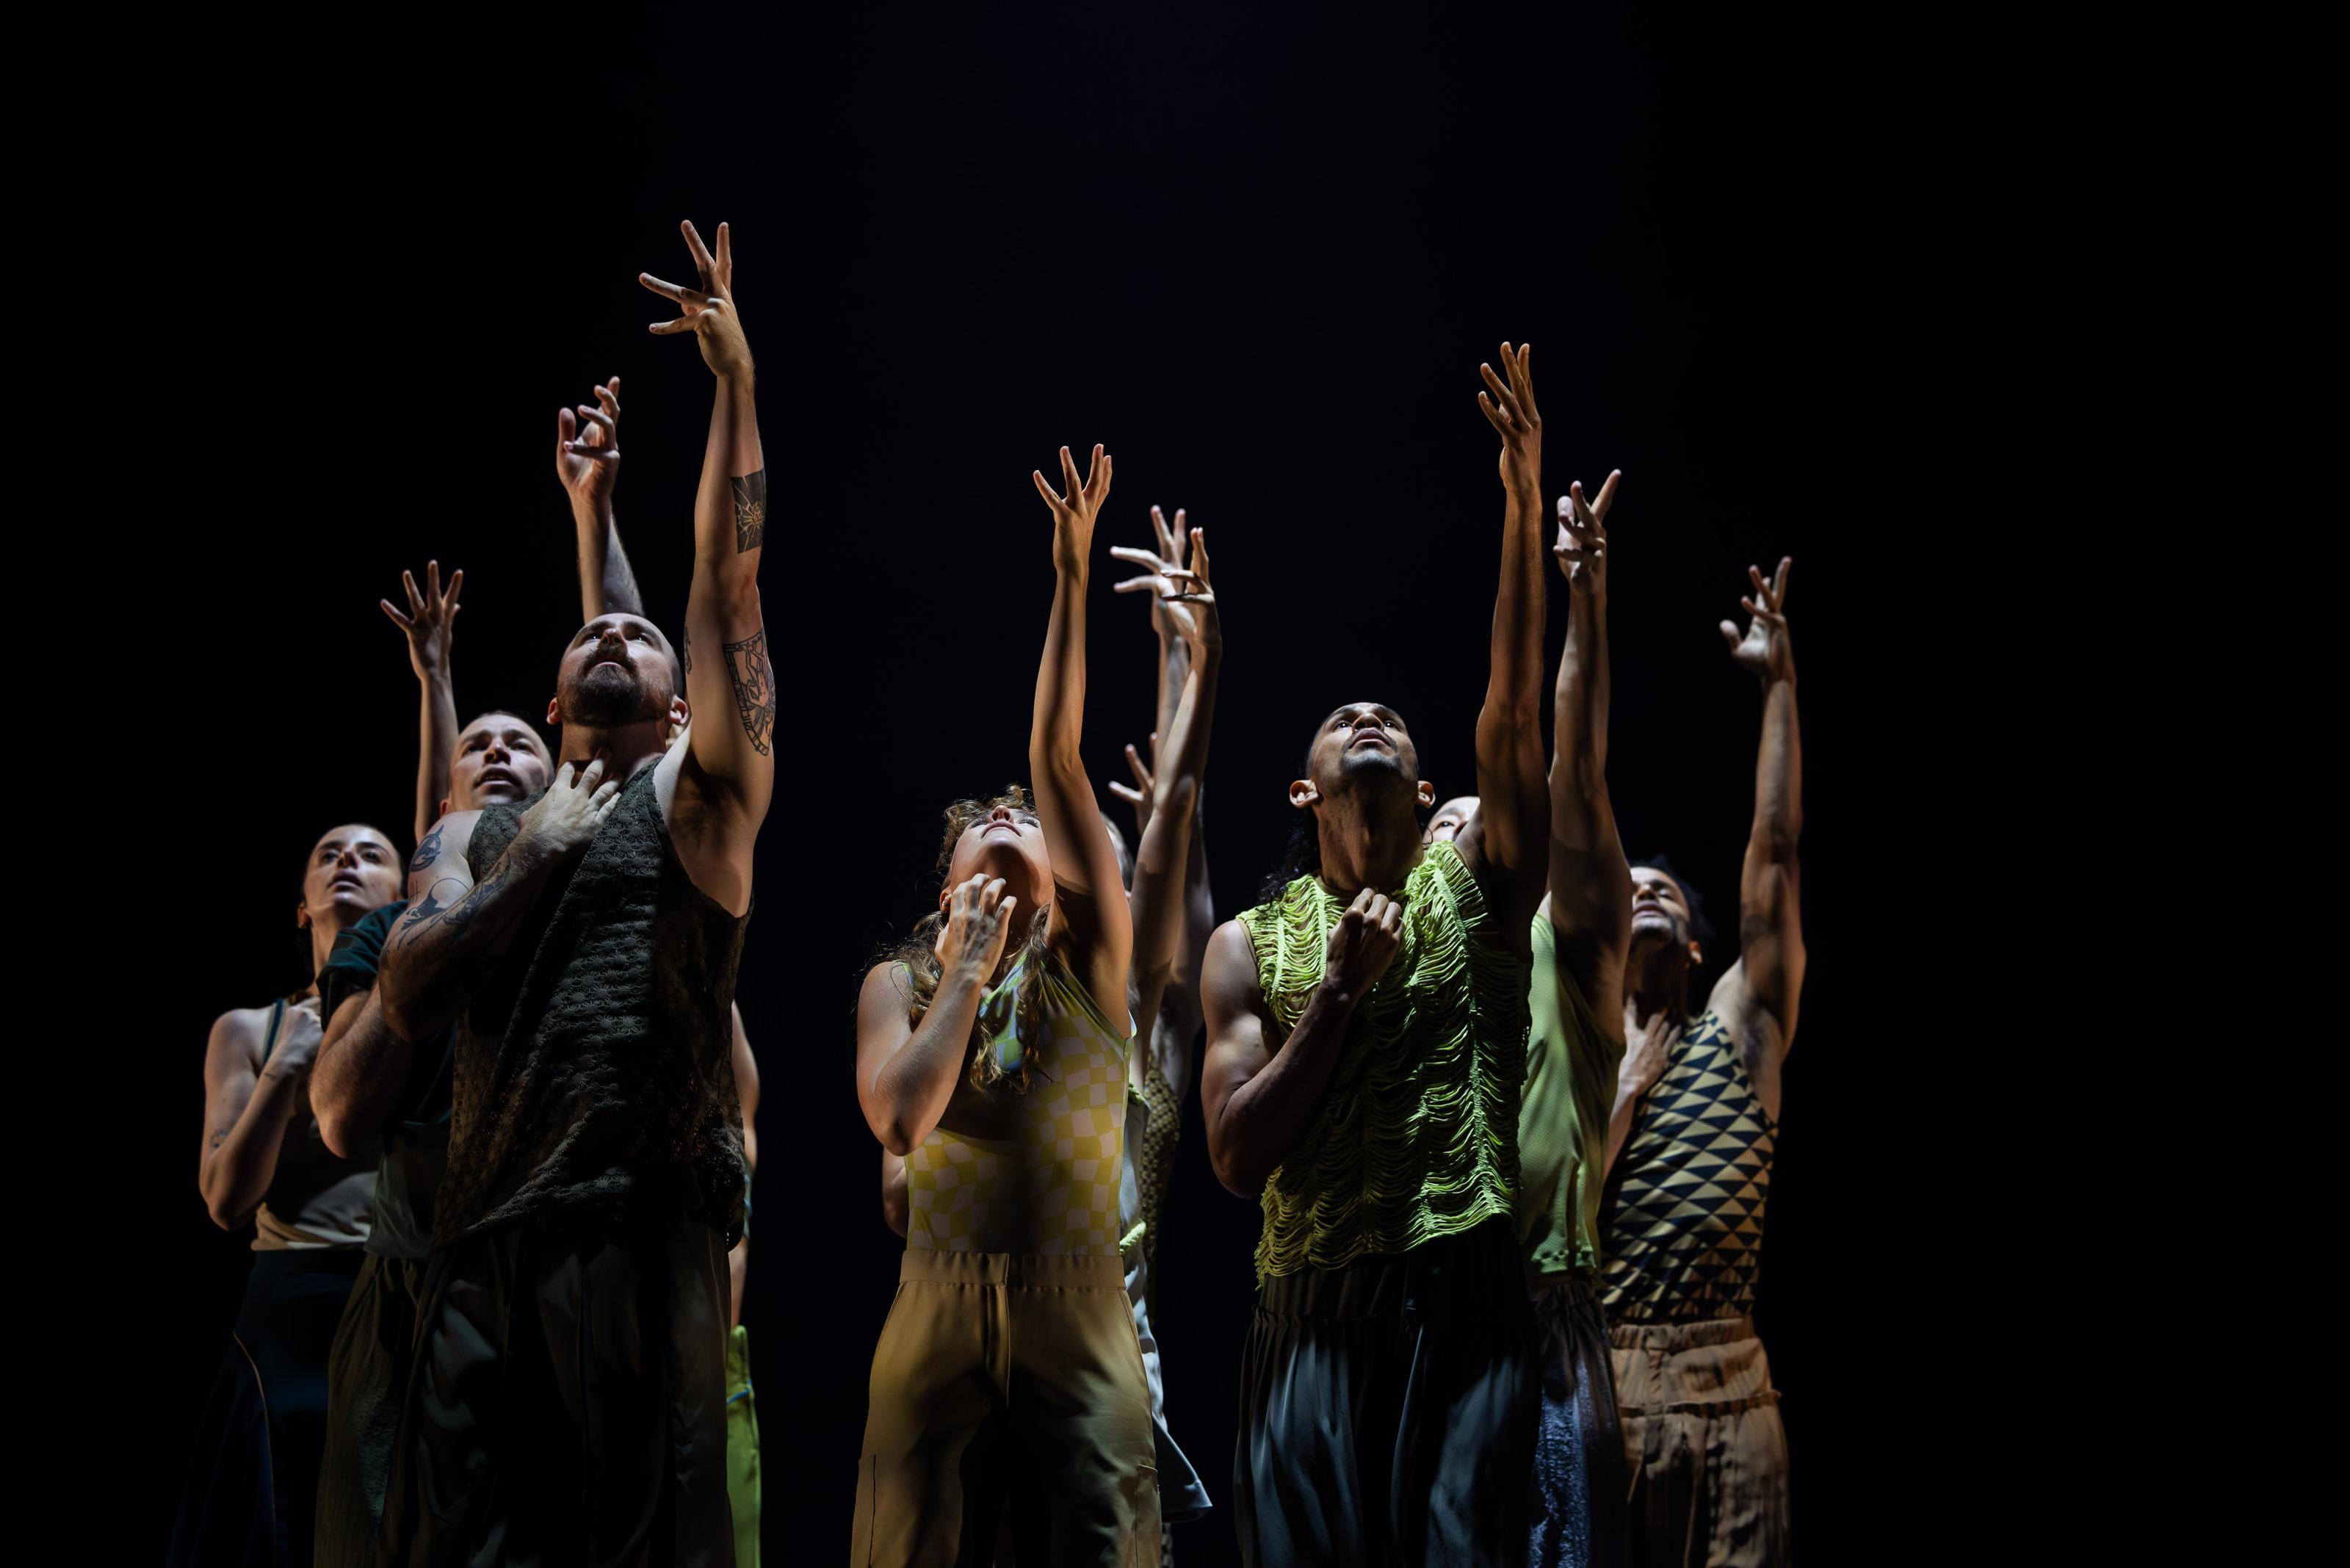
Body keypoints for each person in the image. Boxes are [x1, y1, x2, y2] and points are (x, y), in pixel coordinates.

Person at [372, 216, 773, 1566]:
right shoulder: (479, 833)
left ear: (683, 707)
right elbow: (407, 992)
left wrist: (733, 383)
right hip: (482, 1239)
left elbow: (724, 588)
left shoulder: (699, 802)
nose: (614, 629)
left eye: (640, 640)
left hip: (635, 1228)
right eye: (593, 629)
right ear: (551, 704)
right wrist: (534, 850)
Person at [1198, 343, 1554, 1565]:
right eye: (1344, 719)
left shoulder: (1480, 878)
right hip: (1308, 1316)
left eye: (1391, 720)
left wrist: (1521, 503)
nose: (1369, 718)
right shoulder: (1246, 945)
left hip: (1465, 1295)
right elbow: (1234, 1155)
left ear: (1427, 786)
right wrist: (1337, 997)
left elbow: (1516, 709)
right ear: (1303, 791)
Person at [854, 443, 1205, 1563]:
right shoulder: (899, 981)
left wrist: (1070, 572)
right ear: (945, 884)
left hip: (1079, 1293)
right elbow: (900, 1119)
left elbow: (1055, 751)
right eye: (984, 820)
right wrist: (964, 971)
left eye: (1027, 817)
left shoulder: (1090, 961)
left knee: (1112, 1543)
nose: (1011, 814)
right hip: (938, 1296)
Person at [310, 560, 557, 1565]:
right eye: (476, 744)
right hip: (412, 1290)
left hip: (553, 1293)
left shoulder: (588, 919)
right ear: (445, 796)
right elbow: (339, 1116)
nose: (496, 750)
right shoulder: (384, 938)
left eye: (521, 741)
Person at [1599, 557, 1804, 1567]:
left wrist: (1778, 689)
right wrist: (1624, 1091)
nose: (1647, 889)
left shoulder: (1737, 1024)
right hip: (1611, 1382)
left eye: (1666, 891)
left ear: (1691, 947)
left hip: (1730, 1373)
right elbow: (1543, 1223)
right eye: (1630, 883)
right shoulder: (1580, 1053)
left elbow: (1774, 853)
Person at [171, 823, 406, 1568]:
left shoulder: (420, 1020)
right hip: (287, 1311)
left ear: (405, 891)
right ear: (301, 906)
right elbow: (225, 1200)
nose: (347, 860)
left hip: (398, 1292)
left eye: (371, 853)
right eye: (328, 853)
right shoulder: (249, 1029)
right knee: (277, 1523)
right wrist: (284, 1065)